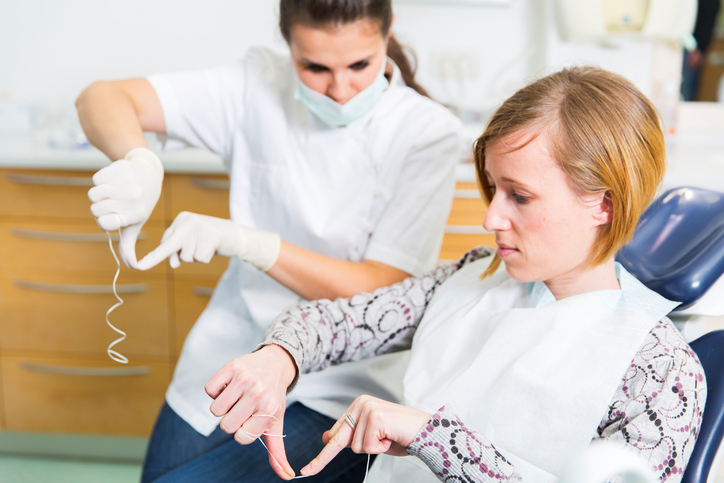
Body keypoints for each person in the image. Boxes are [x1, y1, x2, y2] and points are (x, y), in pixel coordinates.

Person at [204, 66, 707, 482]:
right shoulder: (474, 278)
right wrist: (279, 357)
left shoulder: (660, 370)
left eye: (521, 196)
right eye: (494, 188)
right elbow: (341, 321)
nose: (491, 218)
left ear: (603, 204)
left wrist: (434, 438)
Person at [75, 1, 463, 481]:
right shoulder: (254, 85)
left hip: (338, 382)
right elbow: (100, 97)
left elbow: (379, 289)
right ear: (288, 44)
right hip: (233, 347)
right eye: (314, 67)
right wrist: (139, 159)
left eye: (359, 65)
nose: (340, 91)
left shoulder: (427, 132)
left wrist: (248, 242)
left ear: (388, 35)